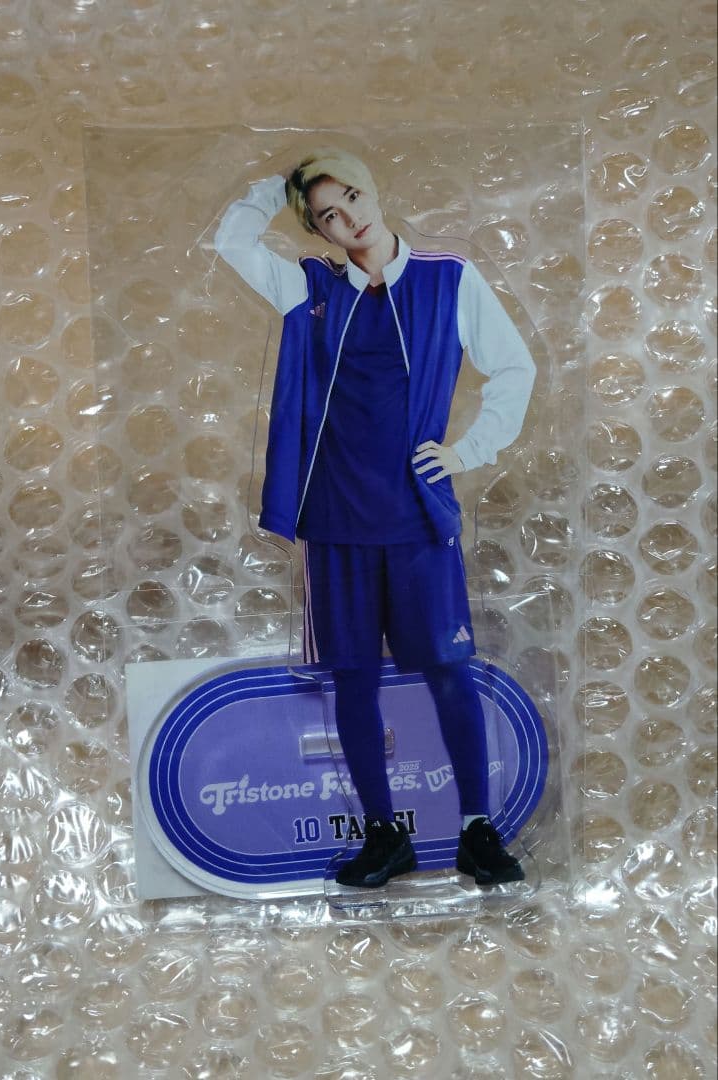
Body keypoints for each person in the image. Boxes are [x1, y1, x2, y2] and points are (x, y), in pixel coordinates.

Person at [212, 147, 536, 888]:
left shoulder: (447, 279)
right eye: (327, 214)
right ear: (318, 230)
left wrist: (467, 450)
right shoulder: (309, 289)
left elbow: (515, 366)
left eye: (352, 196)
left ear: (374, 188)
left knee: (449, 669)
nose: (348, 218)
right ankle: (384, 836)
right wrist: (277, 183)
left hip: (416, 516)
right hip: (336, 520)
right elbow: (231, 241)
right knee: (352, 679)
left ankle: (477, 831)